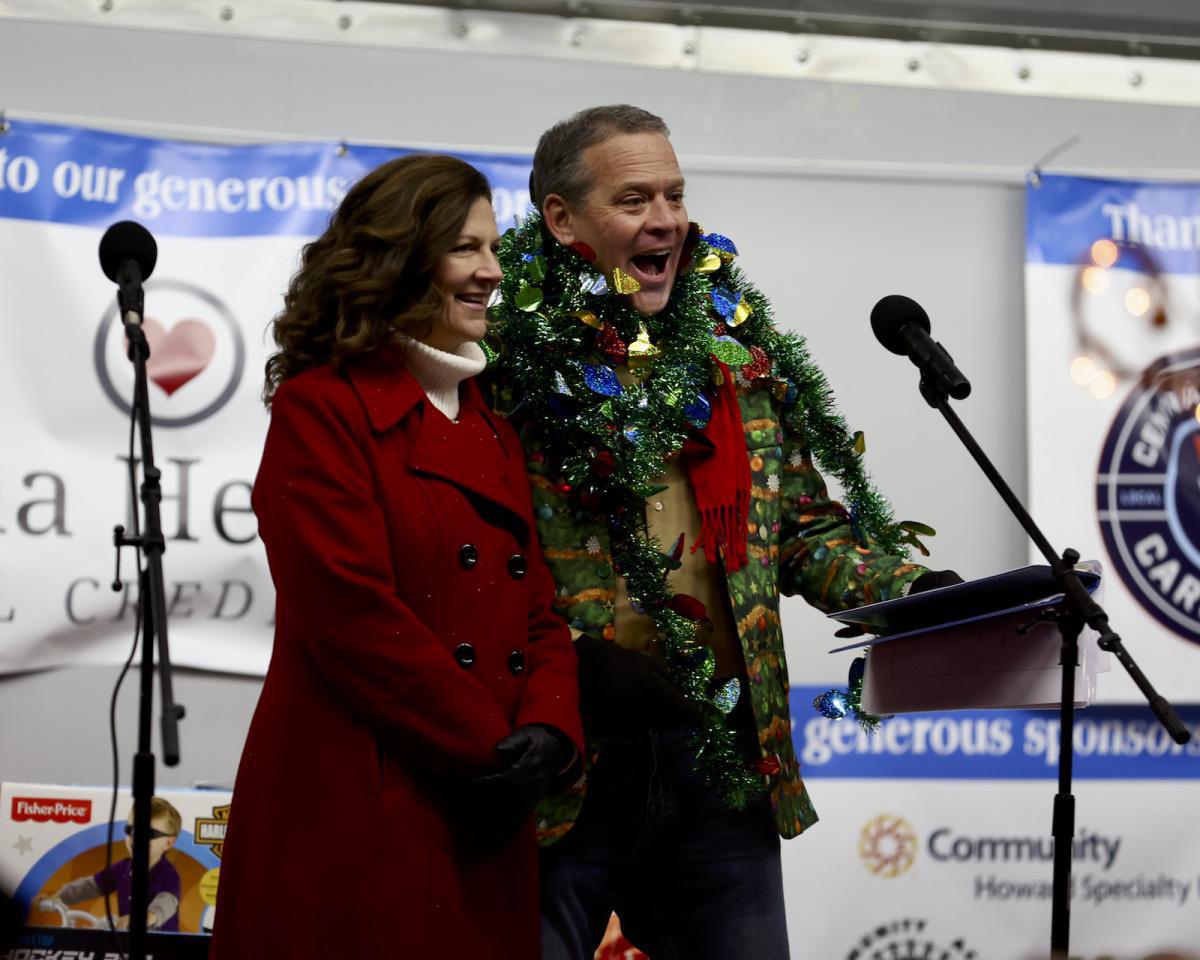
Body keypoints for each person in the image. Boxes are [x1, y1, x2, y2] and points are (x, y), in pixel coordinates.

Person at [487, 105, 959, 960]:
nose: (665, 218)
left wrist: (910, 592)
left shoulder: (739, 362)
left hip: (720, 756)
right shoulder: (503, 370)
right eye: (633, 199)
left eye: (673, 193)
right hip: (561, 760)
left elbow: (803, 535)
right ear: (561, 220)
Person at [210, 154, 583, 960]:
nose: (491, 271)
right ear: (401, 256)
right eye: (465, 249)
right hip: (364, 800)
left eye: (493, 247)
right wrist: (490, 749)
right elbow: (351, 614)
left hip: (484, 803)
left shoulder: (491, 424)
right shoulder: (323, 408)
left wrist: (550, 730)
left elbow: (539, 612)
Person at [37, 796, 182, 932]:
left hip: (161, 946)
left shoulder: (167, 874)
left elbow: (165, 904)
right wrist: (58, 897)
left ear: (168, 843)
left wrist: (146, 918)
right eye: (131, 830)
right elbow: (90, 886)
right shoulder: (123, 869)